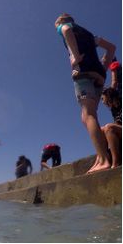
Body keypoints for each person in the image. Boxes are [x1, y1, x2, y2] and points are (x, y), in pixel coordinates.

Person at [55, 13, 116, 173]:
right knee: (89, 116)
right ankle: (101, 155)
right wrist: (103, 67)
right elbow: (111, 47)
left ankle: (103, 160)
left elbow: (66, 29)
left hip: (83, 72)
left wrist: (75, 57)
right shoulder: (89, 35)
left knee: (88, 115)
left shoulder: (65, 26)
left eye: (57, 26)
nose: (57, 29)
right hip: (99, 74)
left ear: (60, 21)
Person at [101, 87, 122, 168]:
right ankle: (103, 161)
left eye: (102, 98)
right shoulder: (114, 110)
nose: (102, 102)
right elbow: (117, 124)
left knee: (109, 127)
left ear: (108, 95)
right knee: (101, 130)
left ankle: (116, 162)